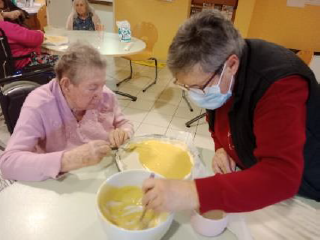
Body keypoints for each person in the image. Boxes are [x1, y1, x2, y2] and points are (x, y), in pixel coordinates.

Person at [142, 10, 320, 214]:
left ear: (232, 65)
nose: (196, 95)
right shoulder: (220, 74)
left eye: (199, 87)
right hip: (255, 175)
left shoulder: (279, 84)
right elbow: (217, 115)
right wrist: (222, 147)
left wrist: (192, 193)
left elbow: (281, 177)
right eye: (185, 86)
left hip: (306, 185)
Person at [0, 42, 133, 181]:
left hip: (103, 175)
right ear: (66, 85)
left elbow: (124, 123)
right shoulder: (39, 104)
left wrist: (124, 132)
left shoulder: (106, 95)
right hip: (62, 182)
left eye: (102, 84)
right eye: (92, 88)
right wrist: (69, 159)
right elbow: (8, 163)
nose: (101, 95)